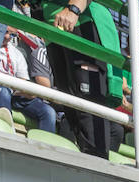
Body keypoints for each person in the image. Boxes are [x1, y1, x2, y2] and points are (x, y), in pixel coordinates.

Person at [41, 0, 123, 157]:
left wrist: (74, 9)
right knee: (73, 112)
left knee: (89, 112)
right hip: (52, 30)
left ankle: (98, 170)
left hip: (80, 21)